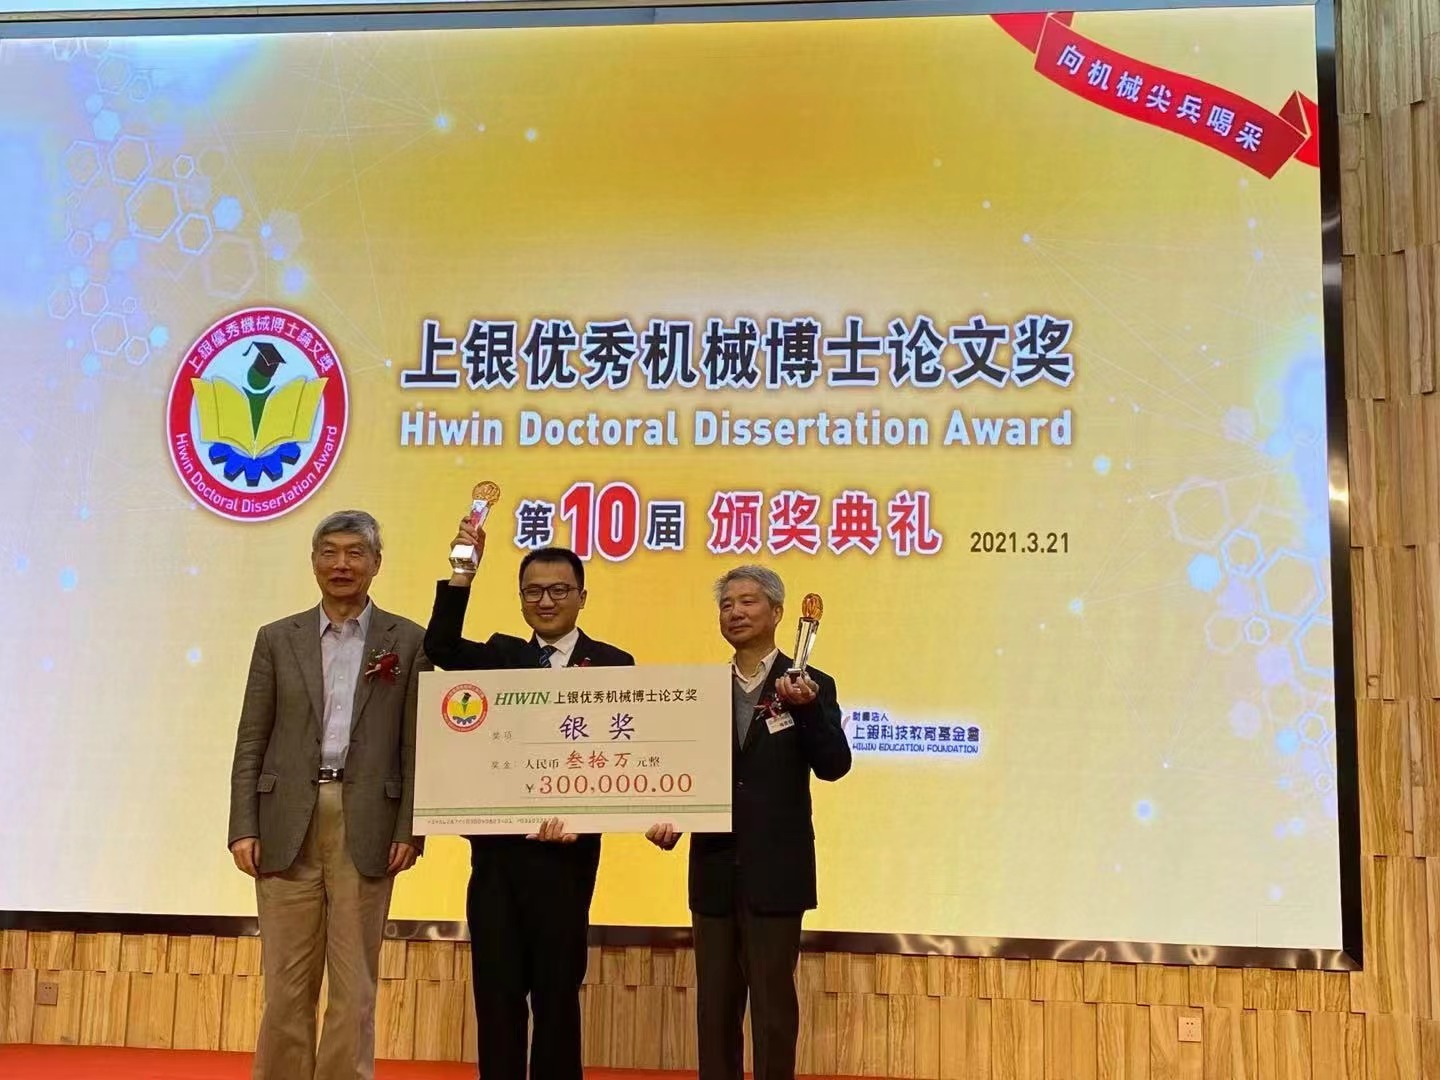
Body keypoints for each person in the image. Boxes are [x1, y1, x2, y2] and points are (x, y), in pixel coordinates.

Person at [424, 518, 635, 1080]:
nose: (546, 601)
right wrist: (463, 570)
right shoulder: (500, 655)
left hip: (566, 860)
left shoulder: (614, 665)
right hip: (497, 858)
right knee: (497, 995)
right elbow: (439, 647)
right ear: (520, 599)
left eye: (559, 590)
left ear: (582, 596)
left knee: (557, 995)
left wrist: (585, 814)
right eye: (533, 591)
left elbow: (625, 759)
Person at [227, 510, 427, 1080]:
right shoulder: (276, 638)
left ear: (376, 564)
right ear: (314, 561)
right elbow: (252, 737)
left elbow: (415, 745)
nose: (341, 564)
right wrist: (243, 825)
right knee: (285, 984)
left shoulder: (408, 640)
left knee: (355, 983)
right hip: (285, 818)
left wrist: (410, 828)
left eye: (355, 553)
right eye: (329, 552)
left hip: (368, 822)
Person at [646, 565, 850, 1080]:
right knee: (714, 1008)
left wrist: (807, 710)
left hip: (777, 871)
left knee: (773, 1008)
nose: (734, 612)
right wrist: (670, 816)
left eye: (747, 602)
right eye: (726, 604)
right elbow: (685, 774)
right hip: (713, 867)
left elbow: (834, 765)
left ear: (777, 613)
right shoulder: (700, 691)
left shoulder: (810, 684)